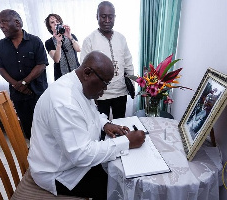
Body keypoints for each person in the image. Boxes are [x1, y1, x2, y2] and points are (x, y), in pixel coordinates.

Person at [27, 51, 145, 199]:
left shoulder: (78, 82)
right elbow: (81, 155)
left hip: (71, 160)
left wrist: (105, 123)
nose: (105, 90)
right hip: (60, 173)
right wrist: (126, 142)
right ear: (88, 73)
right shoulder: (64, 102)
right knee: (120, 185)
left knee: (121, 167)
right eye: (105, 84)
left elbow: (90, 112)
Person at [0, 9, 48, 139]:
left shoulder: (35, 41)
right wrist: (16, 85)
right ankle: (34, 151)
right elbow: (0, 67)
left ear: (17, 23)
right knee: (27, 125)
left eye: (4, 22)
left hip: (38, 93)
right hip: (18, 95)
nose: (1, 26)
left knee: (45, 125)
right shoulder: (0, 45)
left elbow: (41, 64)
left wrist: (24, 82)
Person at [81, 1, 134, 124]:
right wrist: (91, 93)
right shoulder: (89, 40)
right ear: (97, 17)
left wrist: (132, 84)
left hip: (121, 92)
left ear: (114, 17)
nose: (107, 20)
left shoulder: (121, 38)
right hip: (100, 94)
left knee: (121, 124)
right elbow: (85, 70)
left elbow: (128, 63)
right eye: (103, 16)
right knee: (101, 127)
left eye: (110, 16)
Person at [45, 14, 81, 80]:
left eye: (57, 21)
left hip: (76, 73)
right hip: (61, 75)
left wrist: (70, 36)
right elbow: (56, 59)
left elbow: (78, 49)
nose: (55, 23)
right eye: (52, 22)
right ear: (50, 27)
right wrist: (58, 44)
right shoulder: (49, 42)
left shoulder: (71, 35)